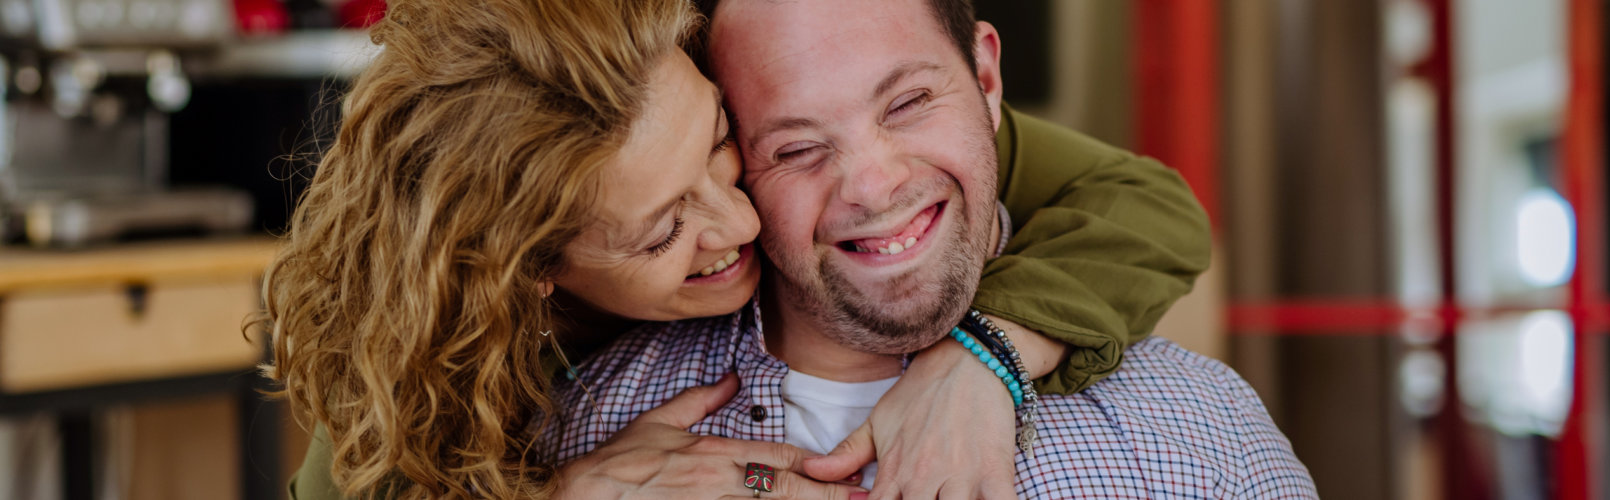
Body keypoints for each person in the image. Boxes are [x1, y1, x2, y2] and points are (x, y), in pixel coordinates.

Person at [265, 0, 1209, 497]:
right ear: (532, 269)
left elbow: (1141, 201)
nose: (742, 223)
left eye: (725, 144)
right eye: (664, 230)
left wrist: (985, 357)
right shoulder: (428, 358)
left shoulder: (800, 96)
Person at [542, 0, 1317, 497]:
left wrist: (988, 354)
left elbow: (1151, 204)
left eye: (909, 103)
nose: (873, 185)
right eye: (795, 148)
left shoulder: (1196, 436)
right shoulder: (583, 435)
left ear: (986, 74)